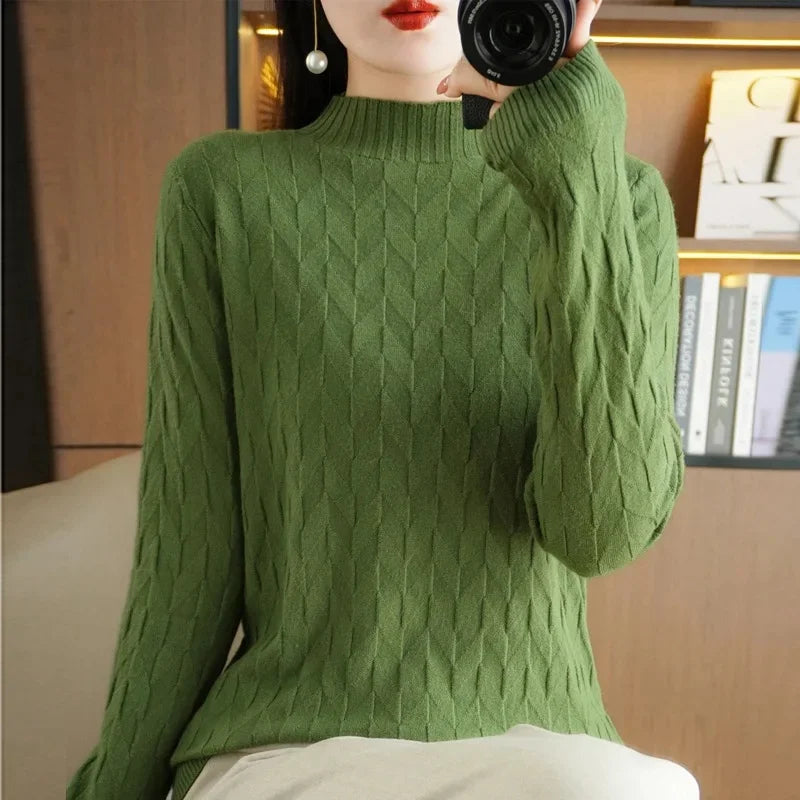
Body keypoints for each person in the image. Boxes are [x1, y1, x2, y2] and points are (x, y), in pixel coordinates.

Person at [66, 0, 701, 798]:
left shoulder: (619, 197)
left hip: (539, 753)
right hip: (287, 749)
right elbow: (190, 547)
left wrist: (578, 179)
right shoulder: (224, 188)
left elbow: (601, 532)